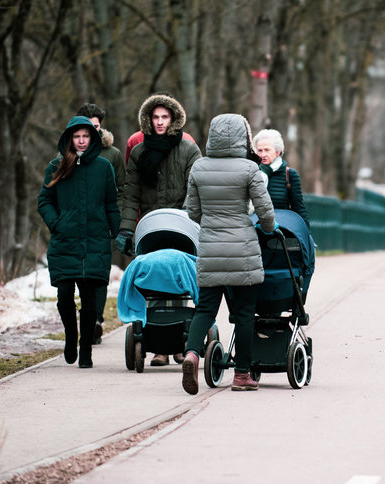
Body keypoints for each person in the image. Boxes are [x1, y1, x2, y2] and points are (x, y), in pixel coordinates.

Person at [180, 114, 277, 395]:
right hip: (241, 251)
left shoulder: (199, 168)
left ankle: (191, 355)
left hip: (210, 248)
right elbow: (266, 212)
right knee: (244, 313)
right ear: (242, 138)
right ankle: (242, 374)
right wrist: (269, 228)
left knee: (205, 310)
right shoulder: (249, 169)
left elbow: (192, 212)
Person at [116, 93, 202, 366]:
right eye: (156, 117)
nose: (161, 122)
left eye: (165, 117)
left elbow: (195, 188)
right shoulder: (140, 153)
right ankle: (160, 348)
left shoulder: (188, 150)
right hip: (153, 226)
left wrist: (188, 219)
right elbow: (132, 195)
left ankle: (178, 344)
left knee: (178, 280)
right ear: (149, 120)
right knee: (155, 281)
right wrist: (127, 230)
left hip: (181, 226)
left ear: (174, 119)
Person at [37, 116, 120, 368]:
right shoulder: (57, 166)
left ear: (93, 138)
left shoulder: (104, 167)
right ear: (69, 139)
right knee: (64, 296)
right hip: (66, 241)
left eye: (86, 136)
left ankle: (86, 349)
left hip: (95, 241)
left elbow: (111, 204)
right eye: (77, 136)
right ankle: (70, 336)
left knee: (90, 300)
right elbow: (44, 201)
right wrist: (57, 223)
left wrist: (120, 233)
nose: (82, 140)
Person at [76, 103, 125, 345]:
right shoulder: (67, 154)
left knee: (99, 275)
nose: (91, 134)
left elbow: (122, 190)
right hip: (74, 228)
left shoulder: (112, 155)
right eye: (86, 128)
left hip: (102, 225)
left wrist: (116, 222)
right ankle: (86, 317)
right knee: (80, 275)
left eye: (95, 127)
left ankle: (95, 321)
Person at [253, 128, 308, 224]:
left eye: (267, 150)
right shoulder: (252, 172)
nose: (263, 154)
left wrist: (305, 234)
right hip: (256, 227)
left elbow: (299, 208)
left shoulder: (290, 175)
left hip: (283, 227)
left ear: (277, 152)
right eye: (260, 150)